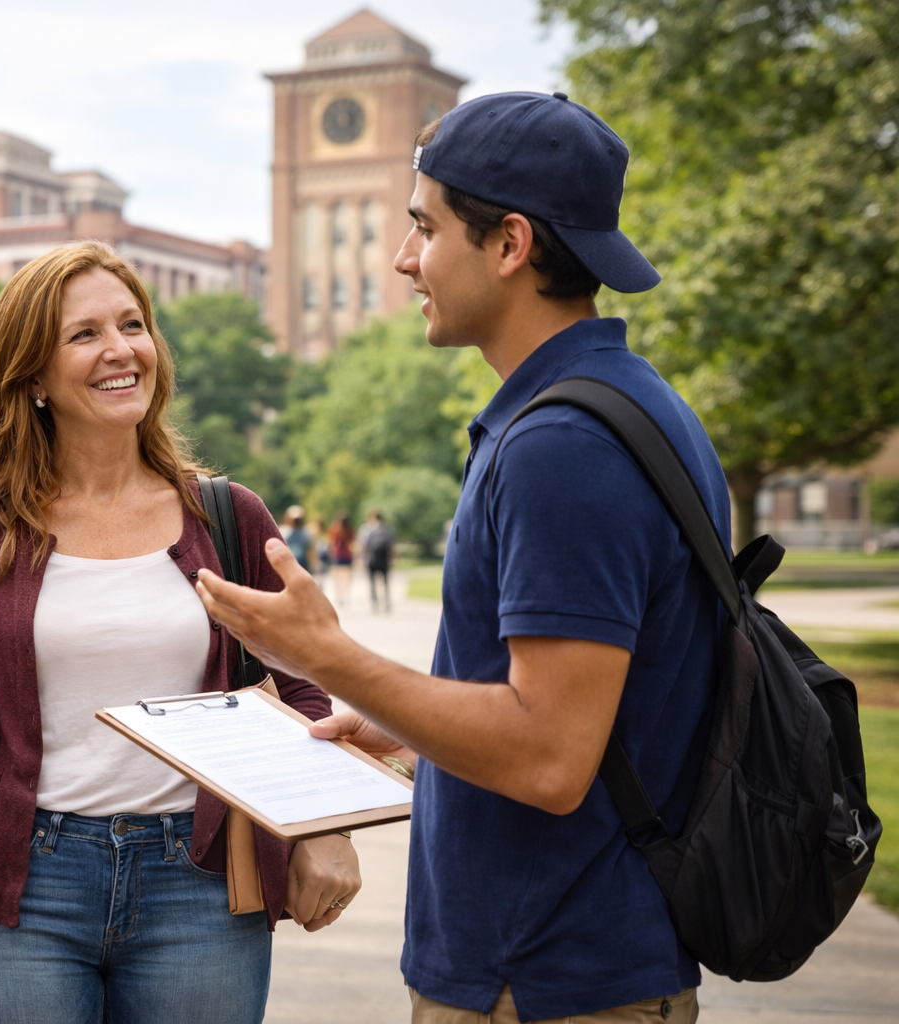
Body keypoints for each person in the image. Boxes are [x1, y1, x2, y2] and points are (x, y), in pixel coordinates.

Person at [195, 93, 727, 1024]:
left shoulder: (564, 446)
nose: (404, 259)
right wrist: (407, 727)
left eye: (425, 228)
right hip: (562, 962)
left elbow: (552, 755)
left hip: (547, 974)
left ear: (511, 244)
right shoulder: (622, 405)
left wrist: (328, 656)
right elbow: (589, 704)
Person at [0, 241, 361, 1024]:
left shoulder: (227, 517)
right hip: (20, 894)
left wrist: (326, 828)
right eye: (84, 335)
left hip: (200, 884)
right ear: (32, 374)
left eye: (133, 325)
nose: (120, 351)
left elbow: (311, 685)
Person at [361, 510, 396, 613]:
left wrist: (362, 560)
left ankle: (375, 604)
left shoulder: (367, 529)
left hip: (371, 559)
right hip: (383, 559)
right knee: (385, 583)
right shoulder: (387, 529)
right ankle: (386, 604)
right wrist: (393, 559)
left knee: (372, 583)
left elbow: (364, 546)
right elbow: (391, 546)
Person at [326, 512, 355, 606]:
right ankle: (345, 595)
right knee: (346, 578)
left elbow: (331, 543)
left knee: (336, 578)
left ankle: (338, 595)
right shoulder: (350, 530)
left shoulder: (335, 529)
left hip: (337, 555)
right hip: (347, 555)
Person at [281, 504, 312, 572]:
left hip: (303, 563)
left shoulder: (305, 533)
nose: (296, 522)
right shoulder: (284, 533)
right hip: (289, 562)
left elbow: (309, 550)